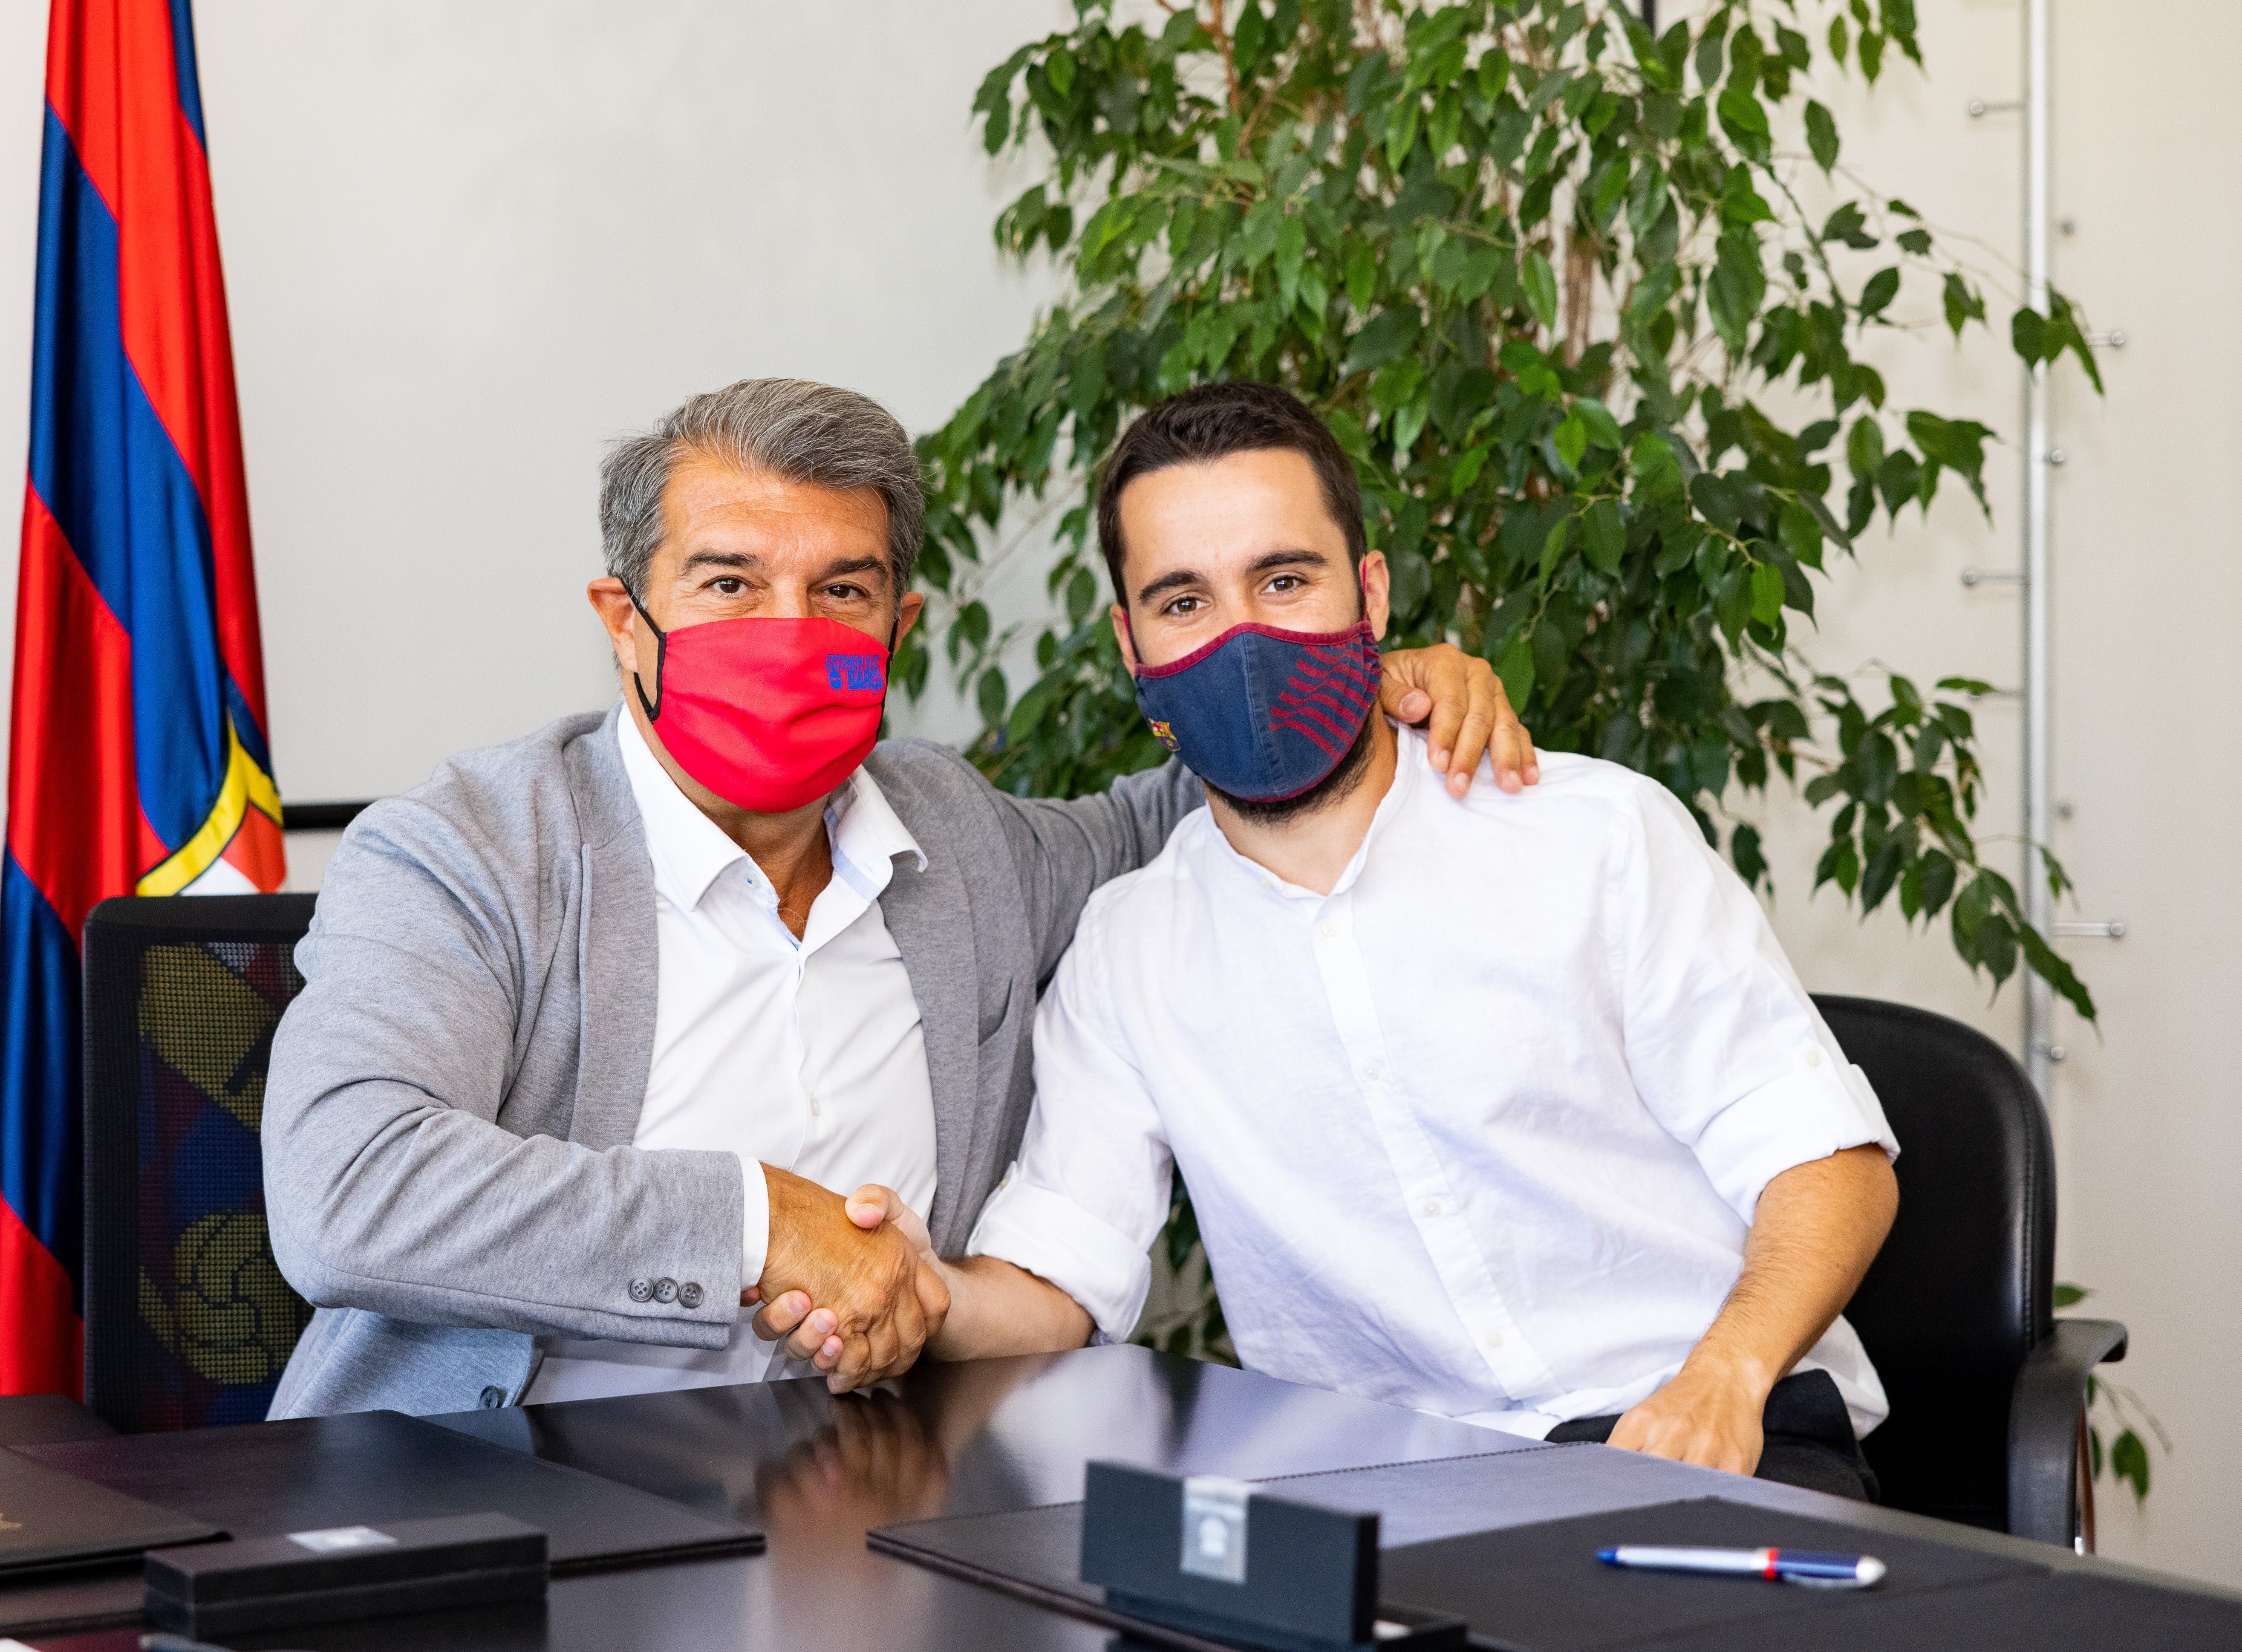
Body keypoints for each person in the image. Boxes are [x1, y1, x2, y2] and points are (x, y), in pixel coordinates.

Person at [259, 378, 1535, 1419]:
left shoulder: (958, 841)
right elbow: (346, 1190)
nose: (788, 626)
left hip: (864, 1505)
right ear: (623, 618)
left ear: (898, 625)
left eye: (842, 591)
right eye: (727, 583)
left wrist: (1367, 684)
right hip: (485, 1508)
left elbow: (1193, 802)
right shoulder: (470, 849)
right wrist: (762, 1225)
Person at [773, 381, 1901, 1498]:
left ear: (1370, 592)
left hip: (1712, 1432)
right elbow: (1059, 1277)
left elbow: (1828, 1164)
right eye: (1184, 602)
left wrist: (1726, 1379)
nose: (1242, 640)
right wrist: (915, 1290)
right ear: (1131, 644)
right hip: (1389, 1493)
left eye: (1283, 580)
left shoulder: (1596, 837)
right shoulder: (1129, 947)